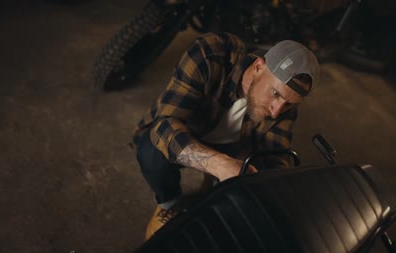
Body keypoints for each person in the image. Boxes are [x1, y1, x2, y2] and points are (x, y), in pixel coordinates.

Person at [133, 32, 319, 239]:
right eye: (276, 94)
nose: (276, 111)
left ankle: (211, 190)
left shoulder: (284, 108)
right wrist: (219, 165)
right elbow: (165, 125)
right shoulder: (210, 53)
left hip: (234, 149)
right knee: (151, 151)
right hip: (188, 133)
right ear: (258, 67)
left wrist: (270, 191)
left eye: (289, 104)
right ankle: (170, 202)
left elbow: (275, 158)